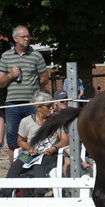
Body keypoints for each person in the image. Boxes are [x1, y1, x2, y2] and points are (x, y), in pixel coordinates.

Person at [0, 92, 68, 197]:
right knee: (16, 164)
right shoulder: (26, 121)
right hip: (31, 153)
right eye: (49, 106)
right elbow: (20, 140)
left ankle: (38, 194)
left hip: (49, 154)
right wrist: (29, 147)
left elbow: (64, 140)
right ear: (39, 107)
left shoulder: (56, 121)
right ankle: (4, 195)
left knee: (38, 165)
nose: (52, 109)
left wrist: (54, 148)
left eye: (52, 105)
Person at [0, 25, 49, 165]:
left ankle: (33, 168)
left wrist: (40, 97)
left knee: (34, 137)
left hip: (32, 104)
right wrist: (11, 75)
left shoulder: (36, 55)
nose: (27, 39)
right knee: (12, 139)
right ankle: (15, 173)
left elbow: (44, 79)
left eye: (28, 36)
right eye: (24, 37)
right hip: (13, 104)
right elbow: (1, 83)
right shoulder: (6, 56)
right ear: (15, 38)